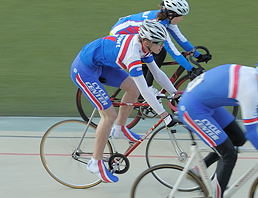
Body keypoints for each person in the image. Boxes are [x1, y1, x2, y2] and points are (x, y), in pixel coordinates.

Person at [179, 55, 258, 198]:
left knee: (237, 139)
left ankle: (197, 170)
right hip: (193, 108)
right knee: (229, 154)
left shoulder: (256, 80)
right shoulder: (250, 90)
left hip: (206, 104)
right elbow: (252, 133)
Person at [71, 21, 179, 183]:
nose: (162, 46)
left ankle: (119, 130)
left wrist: (174, 93)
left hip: (100, 63)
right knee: (109, 115)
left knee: (133, 89)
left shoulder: (143, 46)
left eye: (163, 42)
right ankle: (95, 162)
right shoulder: (133, 56)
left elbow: (157, 74)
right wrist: (164, 115)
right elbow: (146, 91)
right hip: (84, 70)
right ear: (147, 42)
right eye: (159, 43)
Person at [111, 0, 201, 90]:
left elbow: (181, 39)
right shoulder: (158, 24)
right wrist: (190, 69)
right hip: (119, 37)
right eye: (180, 16)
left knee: (150, 51)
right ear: (171, 14)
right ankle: (148, 87)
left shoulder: (165, 18)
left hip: (127, 33)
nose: (182, 19)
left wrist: (198, 55)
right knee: (158, 51)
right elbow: (172, 50)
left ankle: (143, 90)